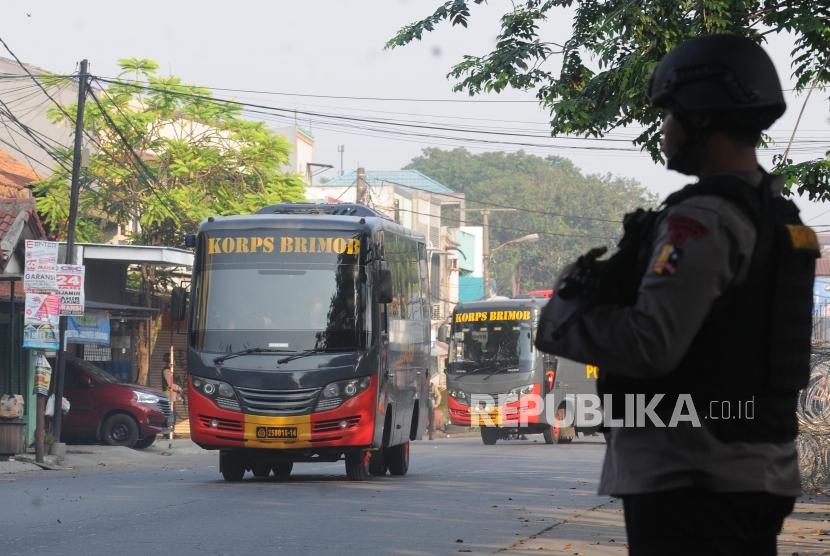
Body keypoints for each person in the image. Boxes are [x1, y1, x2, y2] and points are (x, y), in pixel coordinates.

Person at [535, 34, 818, 555]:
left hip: (693, 477)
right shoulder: (778, 216)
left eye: (670, 116)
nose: (663, 131)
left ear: (704, 120)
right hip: (747, 470)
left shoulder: (702, 219)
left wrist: (566, 309)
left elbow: (650, 343)